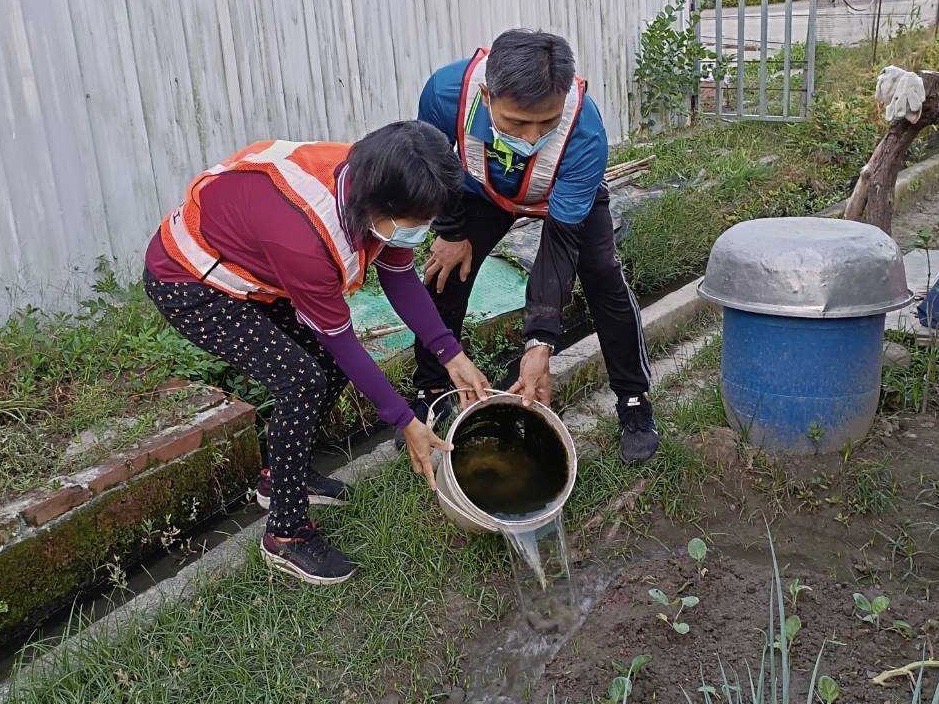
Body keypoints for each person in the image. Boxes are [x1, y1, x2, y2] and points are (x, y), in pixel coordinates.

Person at [143, 122, 490, 586]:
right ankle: (285, 536)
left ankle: (282, 476)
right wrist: (406, 421)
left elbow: (399, 275)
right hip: (191, 283)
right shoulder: (305, 239)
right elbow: (341, 341)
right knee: (301, 381)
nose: (421, 232)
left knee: (323, 367)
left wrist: (451, 353)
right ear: (379, 206)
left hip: (255, 265)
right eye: (415, 223)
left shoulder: (373, 184)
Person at [411, 29, 659, 464]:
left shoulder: (585, 133)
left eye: (547, 123)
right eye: (516, 123)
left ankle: (633, 401)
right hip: (484, 192)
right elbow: (436, 162)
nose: (530, 138)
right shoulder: (446, 94)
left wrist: (539, 342)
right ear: (487, 96)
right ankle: (432, 390)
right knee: (445, 274)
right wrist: (450, 231)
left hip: (561, 191)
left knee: (602, 275)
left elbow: (558, 247)